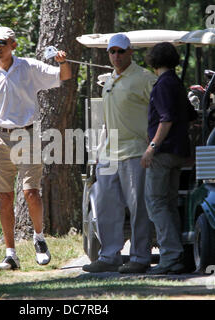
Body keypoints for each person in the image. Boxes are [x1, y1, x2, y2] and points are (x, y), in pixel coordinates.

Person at [0, 26, 71, 270]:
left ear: (13, 44)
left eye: (2, 42)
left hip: (27, 135)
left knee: (30, 192)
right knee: (5, 197)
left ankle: (39, 238)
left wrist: (63, 62)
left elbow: (63, 76)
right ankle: (11, 255)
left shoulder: (29, 67)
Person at [82, 34, 156, 274]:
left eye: (121, 51)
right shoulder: (110, 79)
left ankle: (140, 257)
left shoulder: (145, 78)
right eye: (112, 52)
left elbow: (161, 112)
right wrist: (99, 150)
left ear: (130, 52)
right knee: (104, 204)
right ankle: (109, 255)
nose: (116, 56)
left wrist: (152, 145)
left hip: (136, 152)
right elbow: (106, 122)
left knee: (138, 208)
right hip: (109, 153)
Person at [141, 42, 197, 274]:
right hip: (178, 153)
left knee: (155, 204)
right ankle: (177, 256)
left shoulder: (163, 84)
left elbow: (166, 119)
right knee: (169, 203)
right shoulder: (176, 82)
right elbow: (191, 115)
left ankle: (170, 256)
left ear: (153, 59)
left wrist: (152, 146)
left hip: (163, 154)